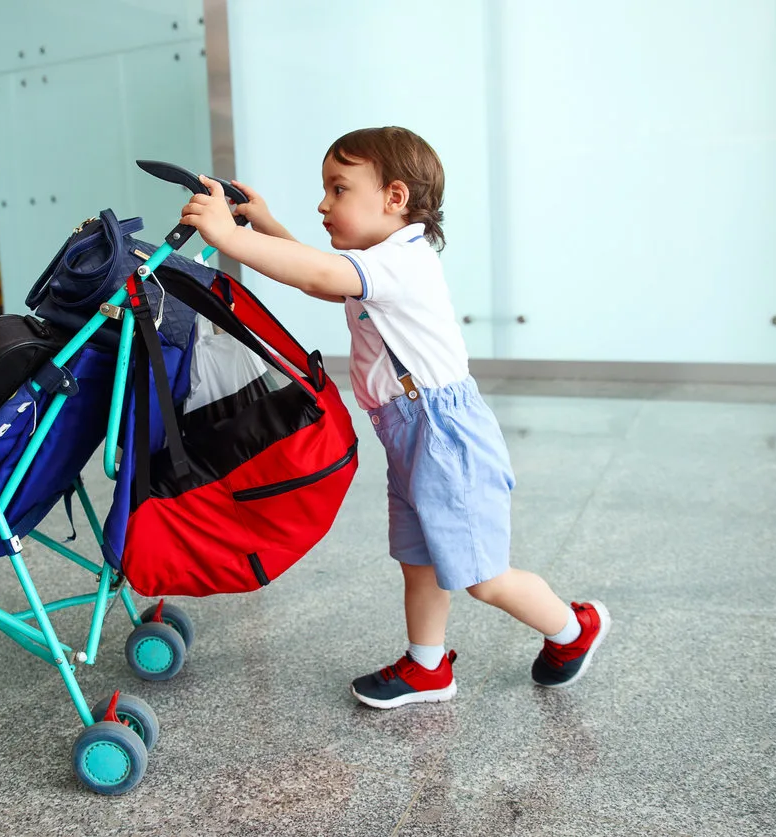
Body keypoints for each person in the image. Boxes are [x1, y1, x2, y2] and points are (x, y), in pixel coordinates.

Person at [179, 126, 610, 708]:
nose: (323, 204)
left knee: (483, 575)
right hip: (406, 434)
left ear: (395, 198)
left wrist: (229, 235)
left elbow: (320, 275)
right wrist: (263, 226)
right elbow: (328, 279)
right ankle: (428, 665)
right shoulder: (375, 263)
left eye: (338, 189)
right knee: (419, 560)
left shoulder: (404, 262)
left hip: (443, 434)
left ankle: (571, 627)